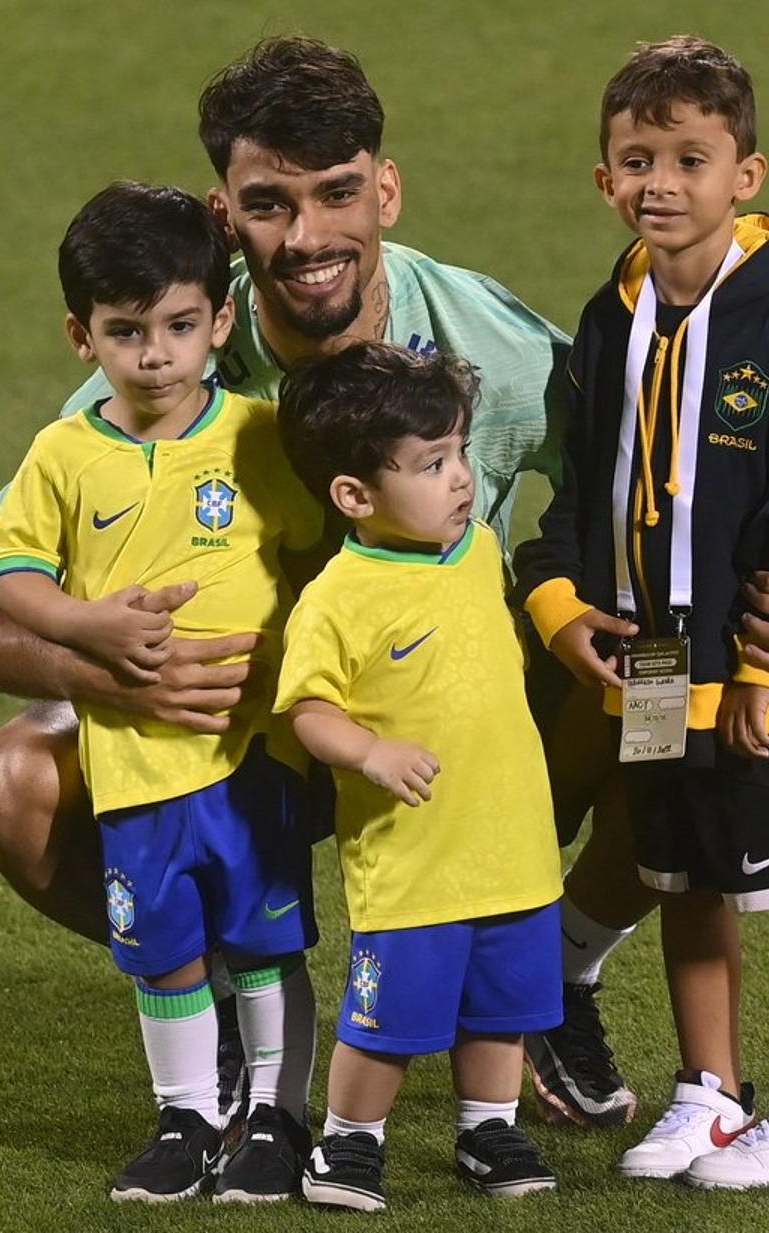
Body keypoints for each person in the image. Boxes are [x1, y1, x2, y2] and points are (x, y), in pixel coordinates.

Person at [0, 34, 769, 1134]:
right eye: (269, 202)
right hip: (243, 728)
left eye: (338, 193)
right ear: (224, 211)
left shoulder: (501, 350)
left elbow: (674, 499)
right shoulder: (174, 351)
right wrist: (106, 670)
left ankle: (555, 967)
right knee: (16, 786)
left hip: (463, 724)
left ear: (386, 187)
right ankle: (227, 994)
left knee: (660, 700)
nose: (309, 235)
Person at [515, 36, 769, 1189]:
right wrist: (566, 606)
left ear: (746, 175)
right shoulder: (610, 320)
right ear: (604, 181)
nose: (660, 182)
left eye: (689, 157)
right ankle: (709, 1091)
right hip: (656, 661)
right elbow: (578, 487)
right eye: (637, 159)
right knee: (682, 875)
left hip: (761, 669)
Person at [0, 182, 323, 1202]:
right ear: (81, 337)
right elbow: (13, 573)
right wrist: (90, 625)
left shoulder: (264, 438)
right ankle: (186, 1114)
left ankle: (278, 1116)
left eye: (180, 325)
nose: (156, 354)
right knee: (164, 951)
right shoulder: (63, 453)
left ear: (222, 321)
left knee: (265, 944)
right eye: (126, 332)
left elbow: (319, 566)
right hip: (129, 764)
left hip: (250, 755)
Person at [275, 343, 564, 1209]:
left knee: (501, 1009)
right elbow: (308, 709)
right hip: (413, 864)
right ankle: (348, 1142)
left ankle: (487, 1126)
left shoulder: (477, 550)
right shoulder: (339, 595)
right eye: (433, 463)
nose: (462, 479)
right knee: (389, 1020)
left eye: (463, 452)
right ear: (355, 496)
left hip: (511, 846)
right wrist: (370, 752)